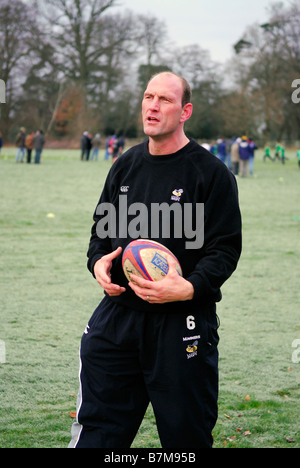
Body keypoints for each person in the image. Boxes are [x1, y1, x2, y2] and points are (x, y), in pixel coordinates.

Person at [69, 72, 242, 449]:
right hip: (117, 319)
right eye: (148, 96)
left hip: (181, 323)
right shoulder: (125, 166)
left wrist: (191, 286)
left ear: (185, 111)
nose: (152, 105)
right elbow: (101, 233)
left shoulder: (211, 174)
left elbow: (225, 248)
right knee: (98, 433)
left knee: (186, 439)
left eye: (164, 99)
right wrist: (98, 263)